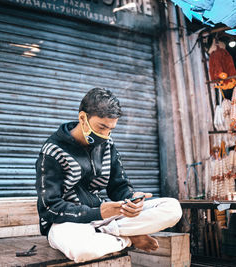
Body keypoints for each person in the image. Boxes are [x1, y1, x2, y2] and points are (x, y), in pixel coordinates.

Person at [35, 88, 182, 263]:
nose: (105, 136)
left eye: (111, 129)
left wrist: (132, 200)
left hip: (104, 218)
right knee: (83, 250)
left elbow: (119, 186)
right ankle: (129, 239)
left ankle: (107, 232)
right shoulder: (52, 151)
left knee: (172, 208)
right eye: (101, 127)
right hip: (66, 224)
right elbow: (49, 208)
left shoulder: (107, 145)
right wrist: (98, 213)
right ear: (82, 118)